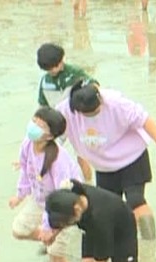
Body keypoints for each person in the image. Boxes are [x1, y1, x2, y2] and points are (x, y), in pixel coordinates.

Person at [56, 80, 156, 241]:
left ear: (100, 100)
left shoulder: (116, 103)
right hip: (103, 166)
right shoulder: (66, 110)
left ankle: (150, 244)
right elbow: (53, 132)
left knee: (135, 199)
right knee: (109, 206)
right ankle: (124, 239)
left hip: (132, 157)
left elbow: (145, 120)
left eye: (95, 112)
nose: (92, 116)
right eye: (88, 114)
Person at [45, 180, 151, 262]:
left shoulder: (100, 216)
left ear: (77, 210)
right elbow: (61, 217)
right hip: (90, 229)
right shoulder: (73, 195)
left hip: (121, 231)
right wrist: (53, 234)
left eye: (67, 223)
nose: (66, 225)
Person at [9, 107, 82, 262]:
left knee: (55, 256)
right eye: (34, 121)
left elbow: (62, 198)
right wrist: (20, 195)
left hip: (63, 208)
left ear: (50, 136)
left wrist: (51, 228)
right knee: (18, 230)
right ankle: (51, 241)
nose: (33, 126)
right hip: (40, 199)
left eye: (40, 125)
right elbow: (26, 170)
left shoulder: (58, 160)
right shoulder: (28, 142)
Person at [35, 42, 94, 180]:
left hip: (76, 120)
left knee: (82, 157)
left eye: (61, 62)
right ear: (46, 68)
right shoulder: (45, 83)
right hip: (56, 122)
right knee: (47, 152)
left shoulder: (75, 73)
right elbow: (43, 106)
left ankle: (89, 185)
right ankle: (45, 181)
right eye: (55, 65)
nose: (60, 66)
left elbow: (93, 84)